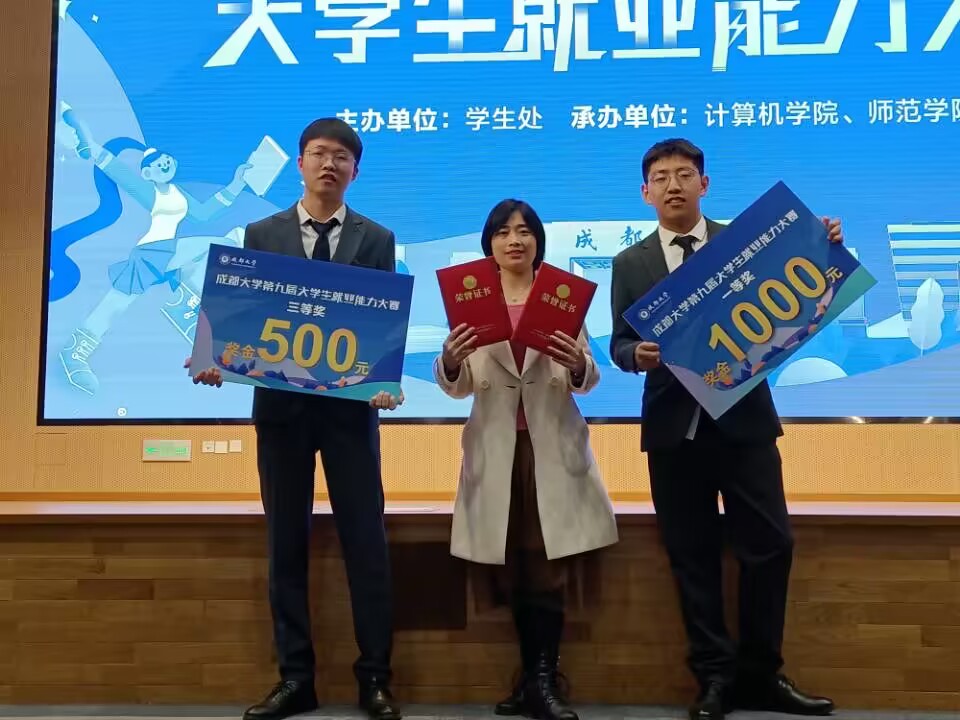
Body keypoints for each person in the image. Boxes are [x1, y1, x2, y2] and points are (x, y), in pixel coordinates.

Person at [609, 139, 841, 720]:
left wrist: (824, 244)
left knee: (771, 545)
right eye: (662, 177)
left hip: (744, 423)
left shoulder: (743, 244)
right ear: (645, 192)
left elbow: (803, 279)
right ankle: (713, 678)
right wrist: (637, 355)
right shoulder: (630, 263)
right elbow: (618, 344)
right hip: (674, 430)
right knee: (692, 556)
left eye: (684, 174)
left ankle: (763, 675)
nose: (673, 185)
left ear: (704, 184)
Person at [191, 118, 403, 720]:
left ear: (355, 170)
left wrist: (383, 380)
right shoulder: (262, 233)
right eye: (318, 154)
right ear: (300, 163)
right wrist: (214, 355)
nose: (328, 164)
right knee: (285, 543)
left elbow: (381, 325)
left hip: (349, 414)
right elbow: (240, 312)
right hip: (281, 413)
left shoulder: (376, 238)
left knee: (367, 543)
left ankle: (375, 678)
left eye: (341, 157)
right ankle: (295, 678)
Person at [435, 199, 618, 720]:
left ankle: (543, 679)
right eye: (502, 232)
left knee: (546, 568)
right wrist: (449, 360)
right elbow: (459, 385)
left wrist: (579, 363)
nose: (514, 240)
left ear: (538, 240)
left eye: (524, 231)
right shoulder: (472, 296)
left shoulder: (560, 295)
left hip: (549, 449)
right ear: (488, 244)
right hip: (496, 451)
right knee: (513, 568)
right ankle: (531, 681)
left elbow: (588, 377)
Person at [56, 109, 252, 395]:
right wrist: (89, 143)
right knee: (115, 305)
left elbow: (204, 213)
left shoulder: (178, 194)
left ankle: (187, 302)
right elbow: (116, 169)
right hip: (151, 253)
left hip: (171, 251)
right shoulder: (149, 191)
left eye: (166, 161)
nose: (164, 165)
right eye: (158, 165)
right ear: (147, 173)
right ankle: (75, 353)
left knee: (226, 244)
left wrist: (236, 184)